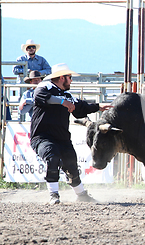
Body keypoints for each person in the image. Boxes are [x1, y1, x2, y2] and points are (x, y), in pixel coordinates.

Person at [30, 63, 112, 205]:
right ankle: (53, 194)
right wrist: (62, 102)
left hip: (62, 138)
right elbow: (39, 97)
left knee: (71, 163)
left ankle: (81, 195)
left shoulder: (67, 95)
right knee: (52, 156)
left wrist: (98, 107)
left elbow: (80, 107)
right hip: (42, 136)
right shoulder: (45, 86)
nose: (71, 80)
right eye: (70, 77)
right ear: (62, 78)